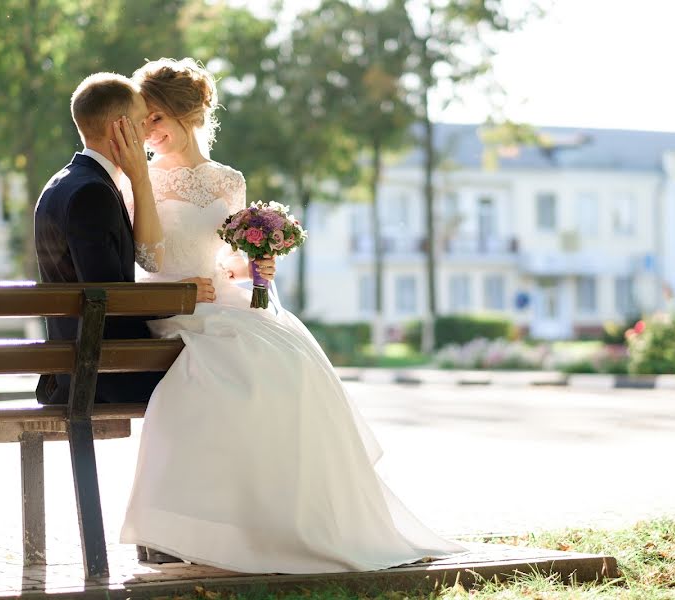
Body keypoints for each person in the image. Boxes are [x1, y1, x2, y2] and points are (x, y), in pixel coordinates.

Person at [119, 57, 465, 574]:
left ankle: (289, 517)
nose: (148, 131)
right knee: (242, 363)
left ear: (186, 116)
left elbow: (228, 260)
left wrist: (257, 263)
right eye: (143, 120)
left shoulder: (227, 181)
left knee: (293, 359)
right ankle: (179, 525)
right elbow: (143, 257)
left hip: (221, 298)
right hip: (169, 302)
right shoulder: (137, 177)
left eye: (156, 119)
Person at [33, 72, 167, 405]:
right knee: (218, 370)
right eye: (140, 122)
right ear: (118, 128)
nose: (148, 133)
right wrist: (183, 295)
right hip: (103, 374)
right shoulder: (93, 193)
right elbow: (110, 300)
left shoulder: (62, 183)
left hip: (80, 365)